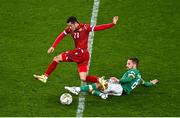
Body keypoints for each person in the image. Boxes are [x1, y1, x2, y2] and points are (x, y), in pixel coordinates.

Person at [33, 16, 119, 83]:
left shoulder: (85, 27)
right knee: (83, 78)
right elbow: (61, 35)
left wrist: (112, 24)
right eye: (68, 26)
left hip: (80, 53)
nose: (69, 27)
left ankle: (45, 76)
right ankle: (100, 80)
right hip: (85, 55)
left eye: (70, 25)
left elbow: (99, 27)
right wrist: (53, 46)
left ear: (75, 23)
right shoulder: (70, 29)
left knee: (56, 58)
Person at [65, 58, 159, 99]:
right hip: (121, 92)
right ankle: (101, 95)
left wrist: (119, 80)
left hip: (120, 87)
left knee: (100, 84)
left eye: (129, 63)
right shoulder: (139, 77)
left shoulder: (133, 72)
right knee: (96, 86)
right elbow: (145, 83)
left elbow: (129, 79)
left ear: (134, 65)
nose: (126, 65)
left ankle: (76, 89)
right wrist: (152, 82)